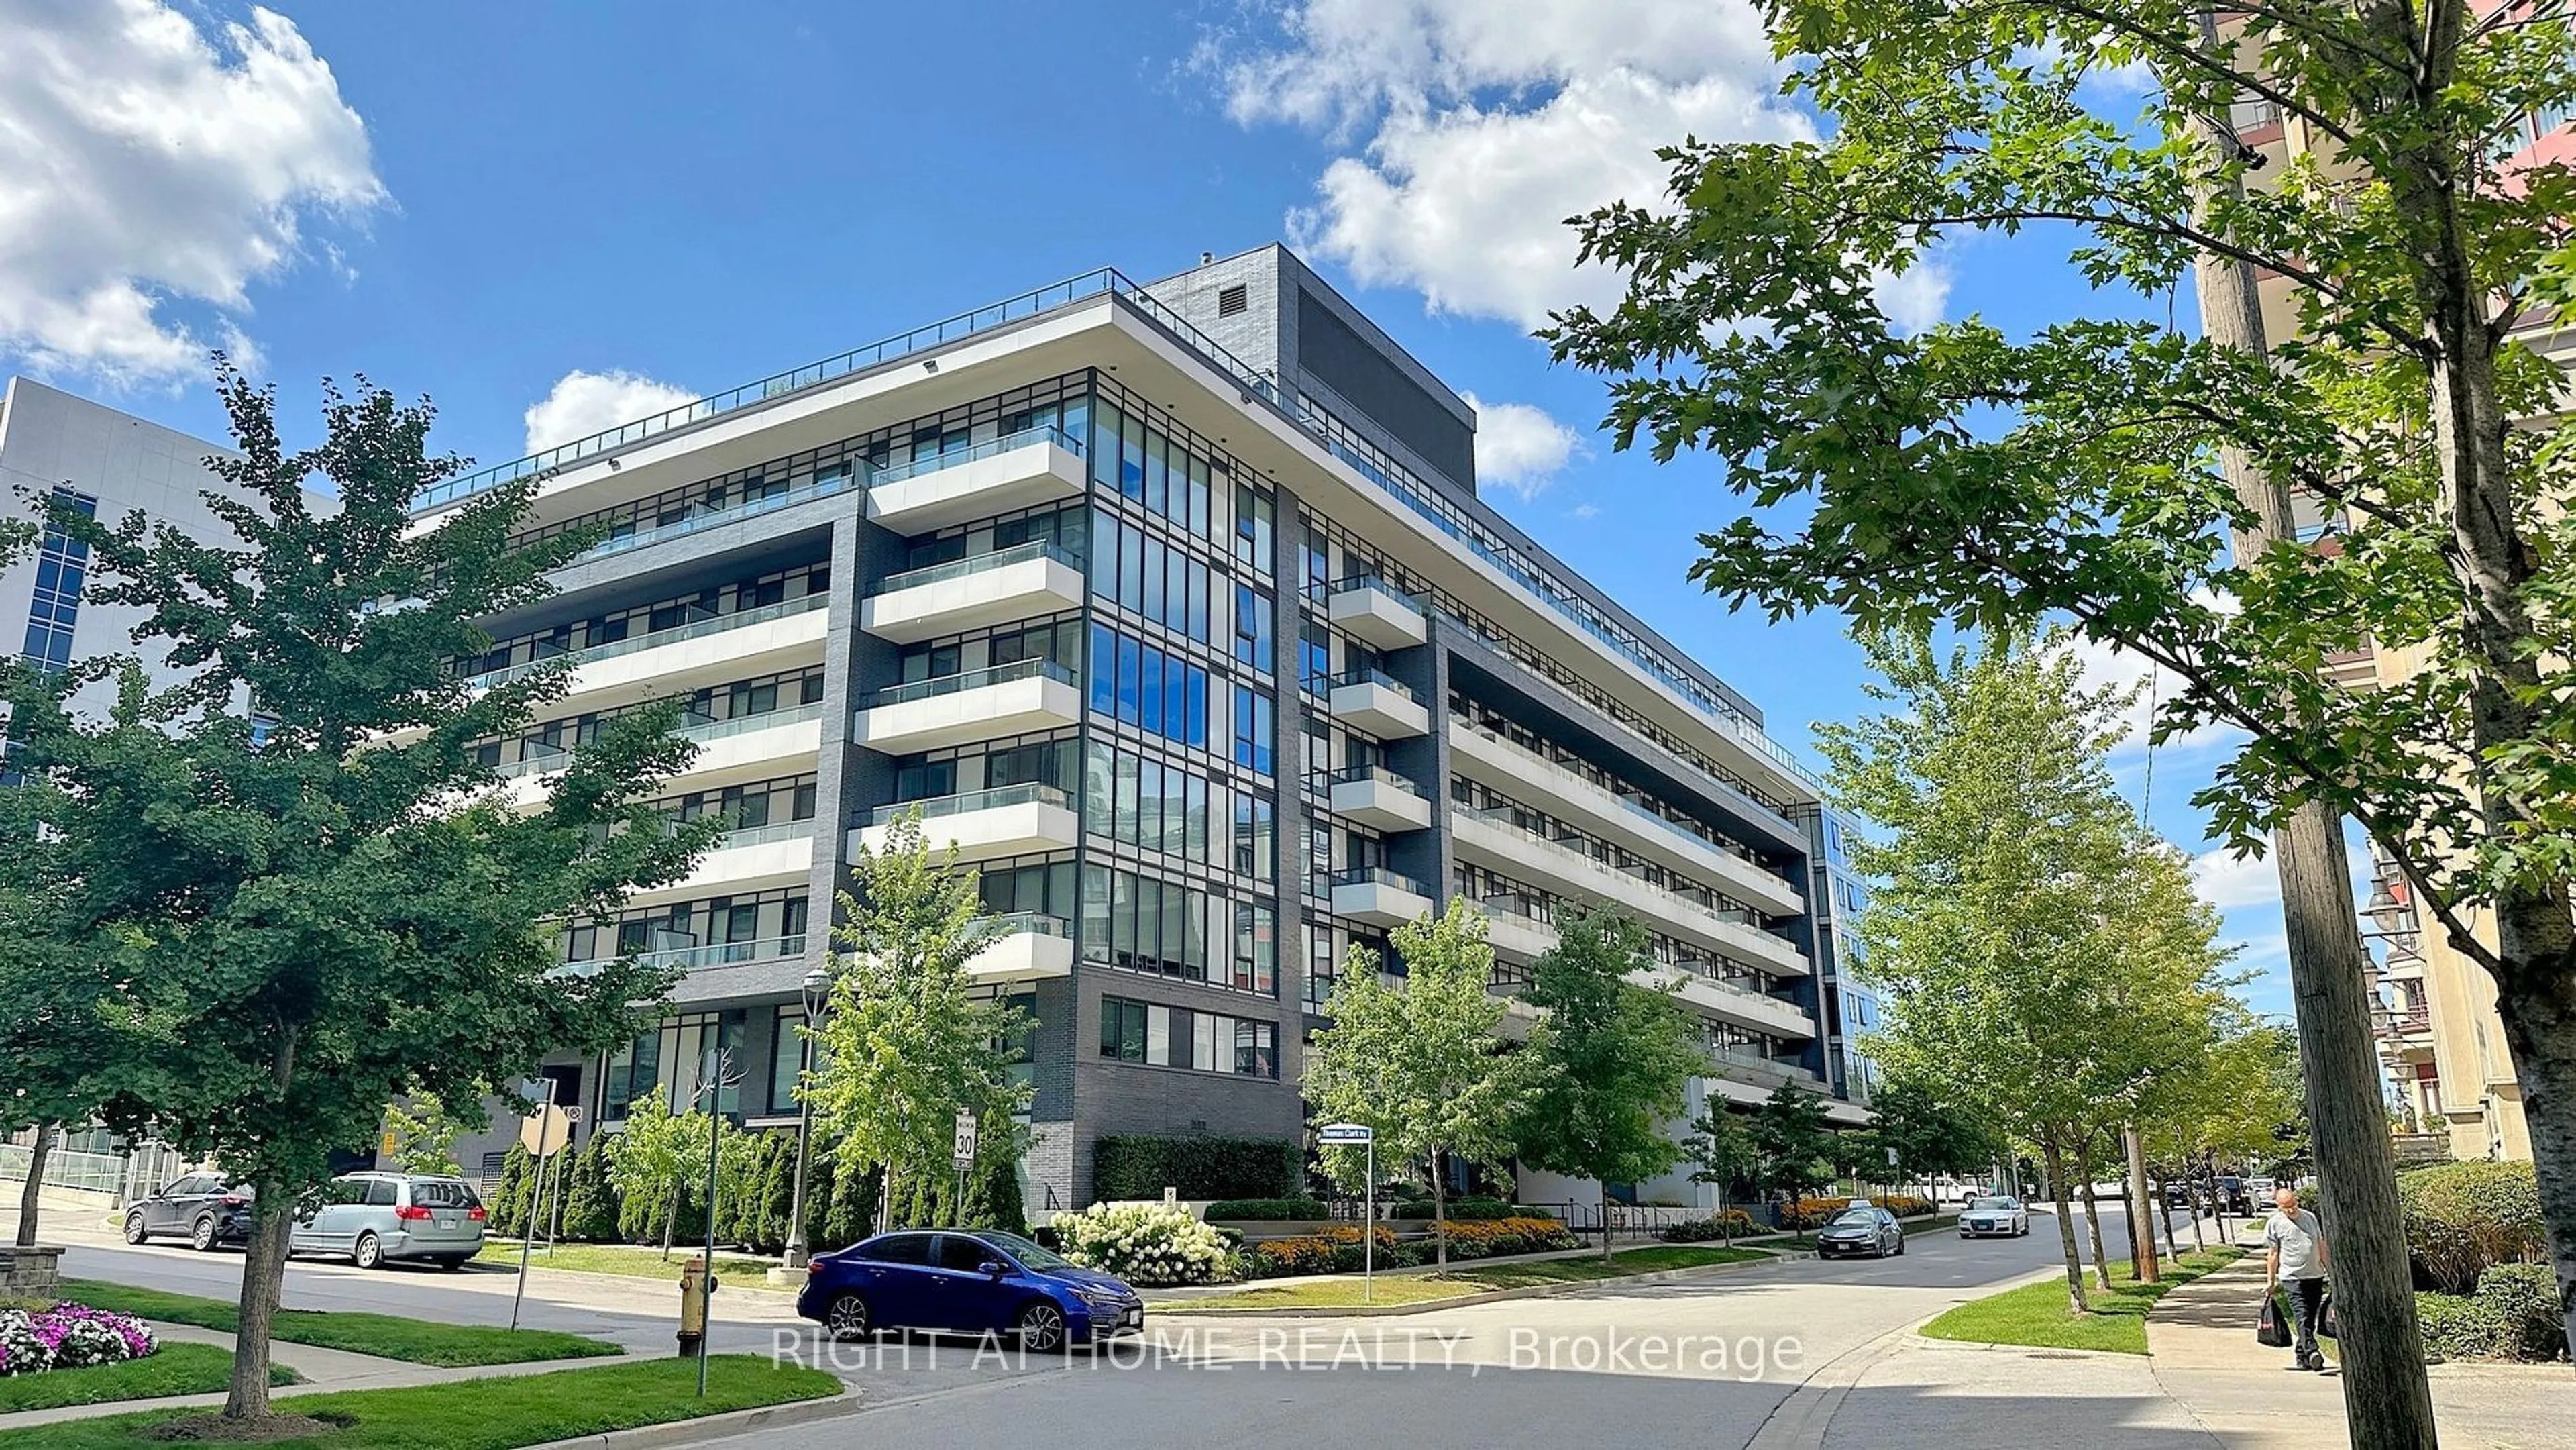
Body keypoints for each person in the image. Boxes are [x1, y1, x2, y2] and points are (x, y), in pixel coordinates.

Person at [2263, 1186, 2330, 1371]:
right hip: (2292, 1278)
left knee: (2309, 1319)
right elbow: (2273, 1254)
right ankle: (2313, 1351)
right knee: (2301, 1316)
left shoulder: (2310, 1218)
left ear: (2297, 1201)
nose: (2291, 1210)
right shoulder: (2275, 1224)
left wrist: (2330, 1270)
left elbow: (2320, 1245)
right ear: (2279, 1207)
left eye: (2293, 1204)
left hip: (2315, 1275)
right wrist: (2271, 1281)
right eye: (2286, 1207)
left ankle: (2303, 1358)